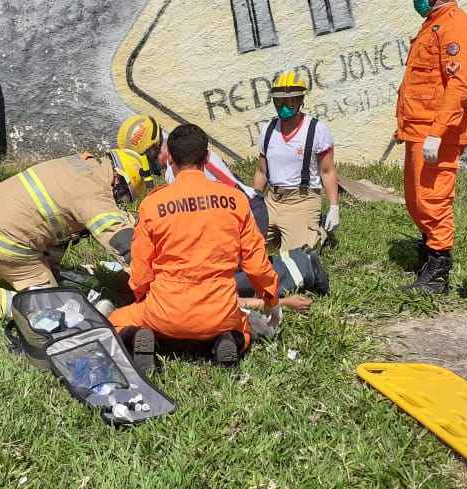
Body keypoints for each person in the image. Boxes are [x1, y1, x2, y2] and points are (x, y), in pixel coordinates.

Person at [109, 124, 280, 372]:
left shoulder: (152, 203)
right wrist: (271, 299)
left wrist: (143, 298)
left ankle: (139, 336)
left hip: (165, 312)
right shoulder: (235, 200)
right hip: (219, 311)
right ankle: (228, 340)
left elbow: (141, 271)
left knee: (116, 321)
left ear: (171, 161)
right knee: (243, 327)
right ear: (207, 157)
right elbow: (257, 263)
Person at [0, 149, 153, 319]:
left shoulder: (84, 164)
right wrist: (155, 280)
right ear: (118, 181)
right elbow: (124, 243)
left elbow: (58, 222)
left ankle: (47, 273)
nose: (121, 202)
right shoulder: (93, 195)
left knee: (62, 240)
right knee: (51, 306)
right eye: (124, 196)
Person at [395, 0, 467, 293]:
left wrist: (438, 131)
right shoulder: (434, 23)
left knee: (433, 199)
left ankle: (438, 270)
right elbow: (422, 83)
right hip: (419, 130)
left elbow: (458, 85)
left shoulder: (456, 25)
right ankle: (429, 250)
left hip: (436, 133)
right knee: (416, 199)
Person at [119, 113, 269, 236]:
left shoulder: (177, 169)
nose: (149, 169)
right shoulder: (187, 149)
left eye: (146, 160)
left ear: (152, 150)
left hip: (247, 215)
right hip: (249, 207)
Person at [253, 71, 340, 252]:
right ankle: (285, 233)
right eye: (279, 101)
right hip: (272, 199)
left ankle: (317, 230)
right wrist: (254, 201)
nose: (284, 105)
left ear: (300, 100)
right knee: (247, 250)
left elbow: (327, 171)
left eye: (290, 101)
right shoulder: (268, 129)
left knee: (296, 258)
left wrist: (334, 206)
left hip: (302, 199)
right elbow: (261, 171)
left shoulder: (316, 129)